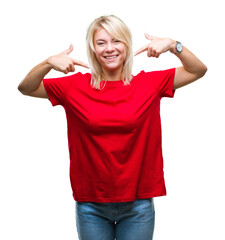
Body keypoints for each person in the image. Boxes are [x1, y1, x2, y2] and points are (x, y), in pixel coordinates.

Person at [18, 15, 207, 240]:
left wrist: (173, 45)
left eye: (116, 41)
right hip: (91, 205)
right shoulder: (73, 87)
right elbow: (26, 88)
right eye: (101, 43)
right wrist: (48, 63)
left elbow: (198, 70)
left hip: (138, 203)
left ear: (126, 44)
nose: (110, 49)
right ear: (93, 49)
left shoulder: (149, 84)